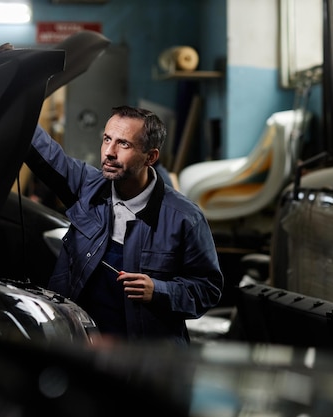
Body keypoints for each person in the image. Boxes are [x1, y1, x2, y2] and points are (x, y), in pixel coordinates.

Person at [25, 105, 223, 345]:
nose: (109, 152)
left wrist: (158, 290)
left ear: (151, 157)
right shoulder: (88, 187)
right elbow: (46, 154)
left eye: (124, 144)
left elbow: (207, 289)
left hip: (145, 359)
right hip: (82, 346)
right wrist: (17, 107)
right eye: (107, 139)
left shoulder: (184, 217)